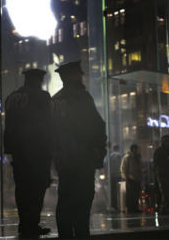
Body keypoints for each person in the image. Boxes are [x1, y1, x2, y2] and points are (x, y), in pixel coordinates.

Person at [51, 61, 107, 239]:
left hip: (63, 162)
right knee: (82, 204)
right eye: (79, 74)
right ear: (72, 76)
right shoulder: (81, 97)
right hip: (82, 160)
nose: (82, 76)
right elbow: (96, 126)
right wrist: (98, 152)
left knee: (65, 201)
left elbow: (48, 132)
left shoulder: (55, 99)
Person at [4, 69, 52, 237]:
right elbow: (48, 126)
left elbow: (8, 126)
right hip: (37, 151)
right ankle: (32, 224)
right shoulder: (41, 97)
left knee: (22, 190)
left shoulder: (12, 97)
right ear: (38, 80)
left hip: (18, 154)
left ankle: (24, 224)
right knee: (37, 190)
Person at [154, 135, 169, 215]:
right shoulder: (159, 151)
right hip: (162, 176)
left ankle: (165, 208)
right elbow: (157, 164)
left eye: (168, 140)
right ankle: (166, 207)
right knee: (165, 192)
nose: (167, 142)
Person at [120, 144, 142, 213]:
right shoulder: (128, 157)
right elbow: (123, 168)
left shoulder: (137, 157)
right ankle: (130, 208)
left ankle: (135, 208)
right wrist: (126, 177)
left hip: (137, 178)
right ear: (133, 149)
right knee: (130, 195)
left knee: (136, 194)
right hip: (130, 178)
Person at [104, 144, 122, 211]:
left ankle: (114, 205)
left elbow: (105, 164)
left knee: (113, 191)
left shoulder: (109, 156)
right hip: (119, 175)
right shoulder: (120, 155)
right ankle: (120, 204)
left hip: (112, 175)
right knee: (119, 191)